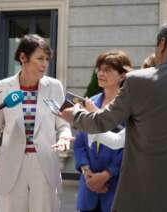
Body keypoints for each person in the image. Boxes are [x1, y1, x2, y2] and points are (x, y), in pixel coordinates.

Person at [60, 18, 167, 212]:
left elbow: (102, 122)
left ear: (163, 44)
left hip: (145, 193)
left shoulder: (138, 81)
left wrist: (75, 114)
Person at [0, 34, 72, 212]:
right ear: (23, 57)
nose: (45, 64)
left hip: (44, 164)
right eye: (40, 58)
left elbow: (63, 124)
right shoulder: (4, 86)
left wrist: (65, 137)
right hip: (12, 164)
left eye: (47, 59)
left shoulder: (54, 86)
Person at [74, 50, 132, 212]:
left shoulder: (129, 108)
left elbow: (128, 146)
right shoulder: (89, 103)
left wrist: (106, 175)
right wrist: (87, 173)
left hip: (115, 186)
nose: (100, 73)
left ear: (122, 76)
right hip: (88, 187)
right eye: (99, 69)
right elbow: (79, 144)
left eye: (107, 70)